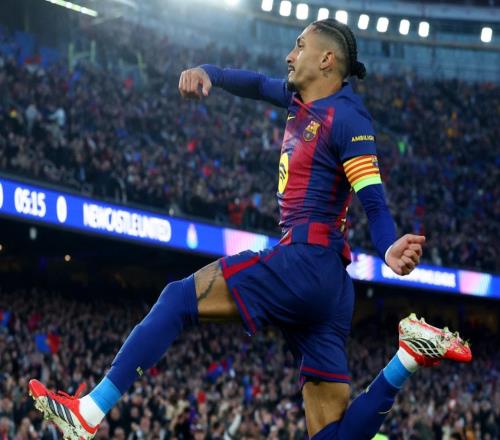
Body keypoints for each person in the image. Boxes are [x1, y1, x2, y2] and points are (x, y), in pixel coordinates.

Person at [28, 19, 471, 440]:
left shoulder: (348, 118)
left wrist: (389, 245)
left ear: (327, 60)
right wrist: (210, 72)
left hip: (305, 261)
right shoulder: (302, 101)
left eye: (300, 46)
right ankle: (406, 359)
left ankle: (89, 412)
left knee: (178, 298)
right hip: (330, 286)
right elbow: (258, 85)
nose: (289, 55)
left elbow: (372, 198)